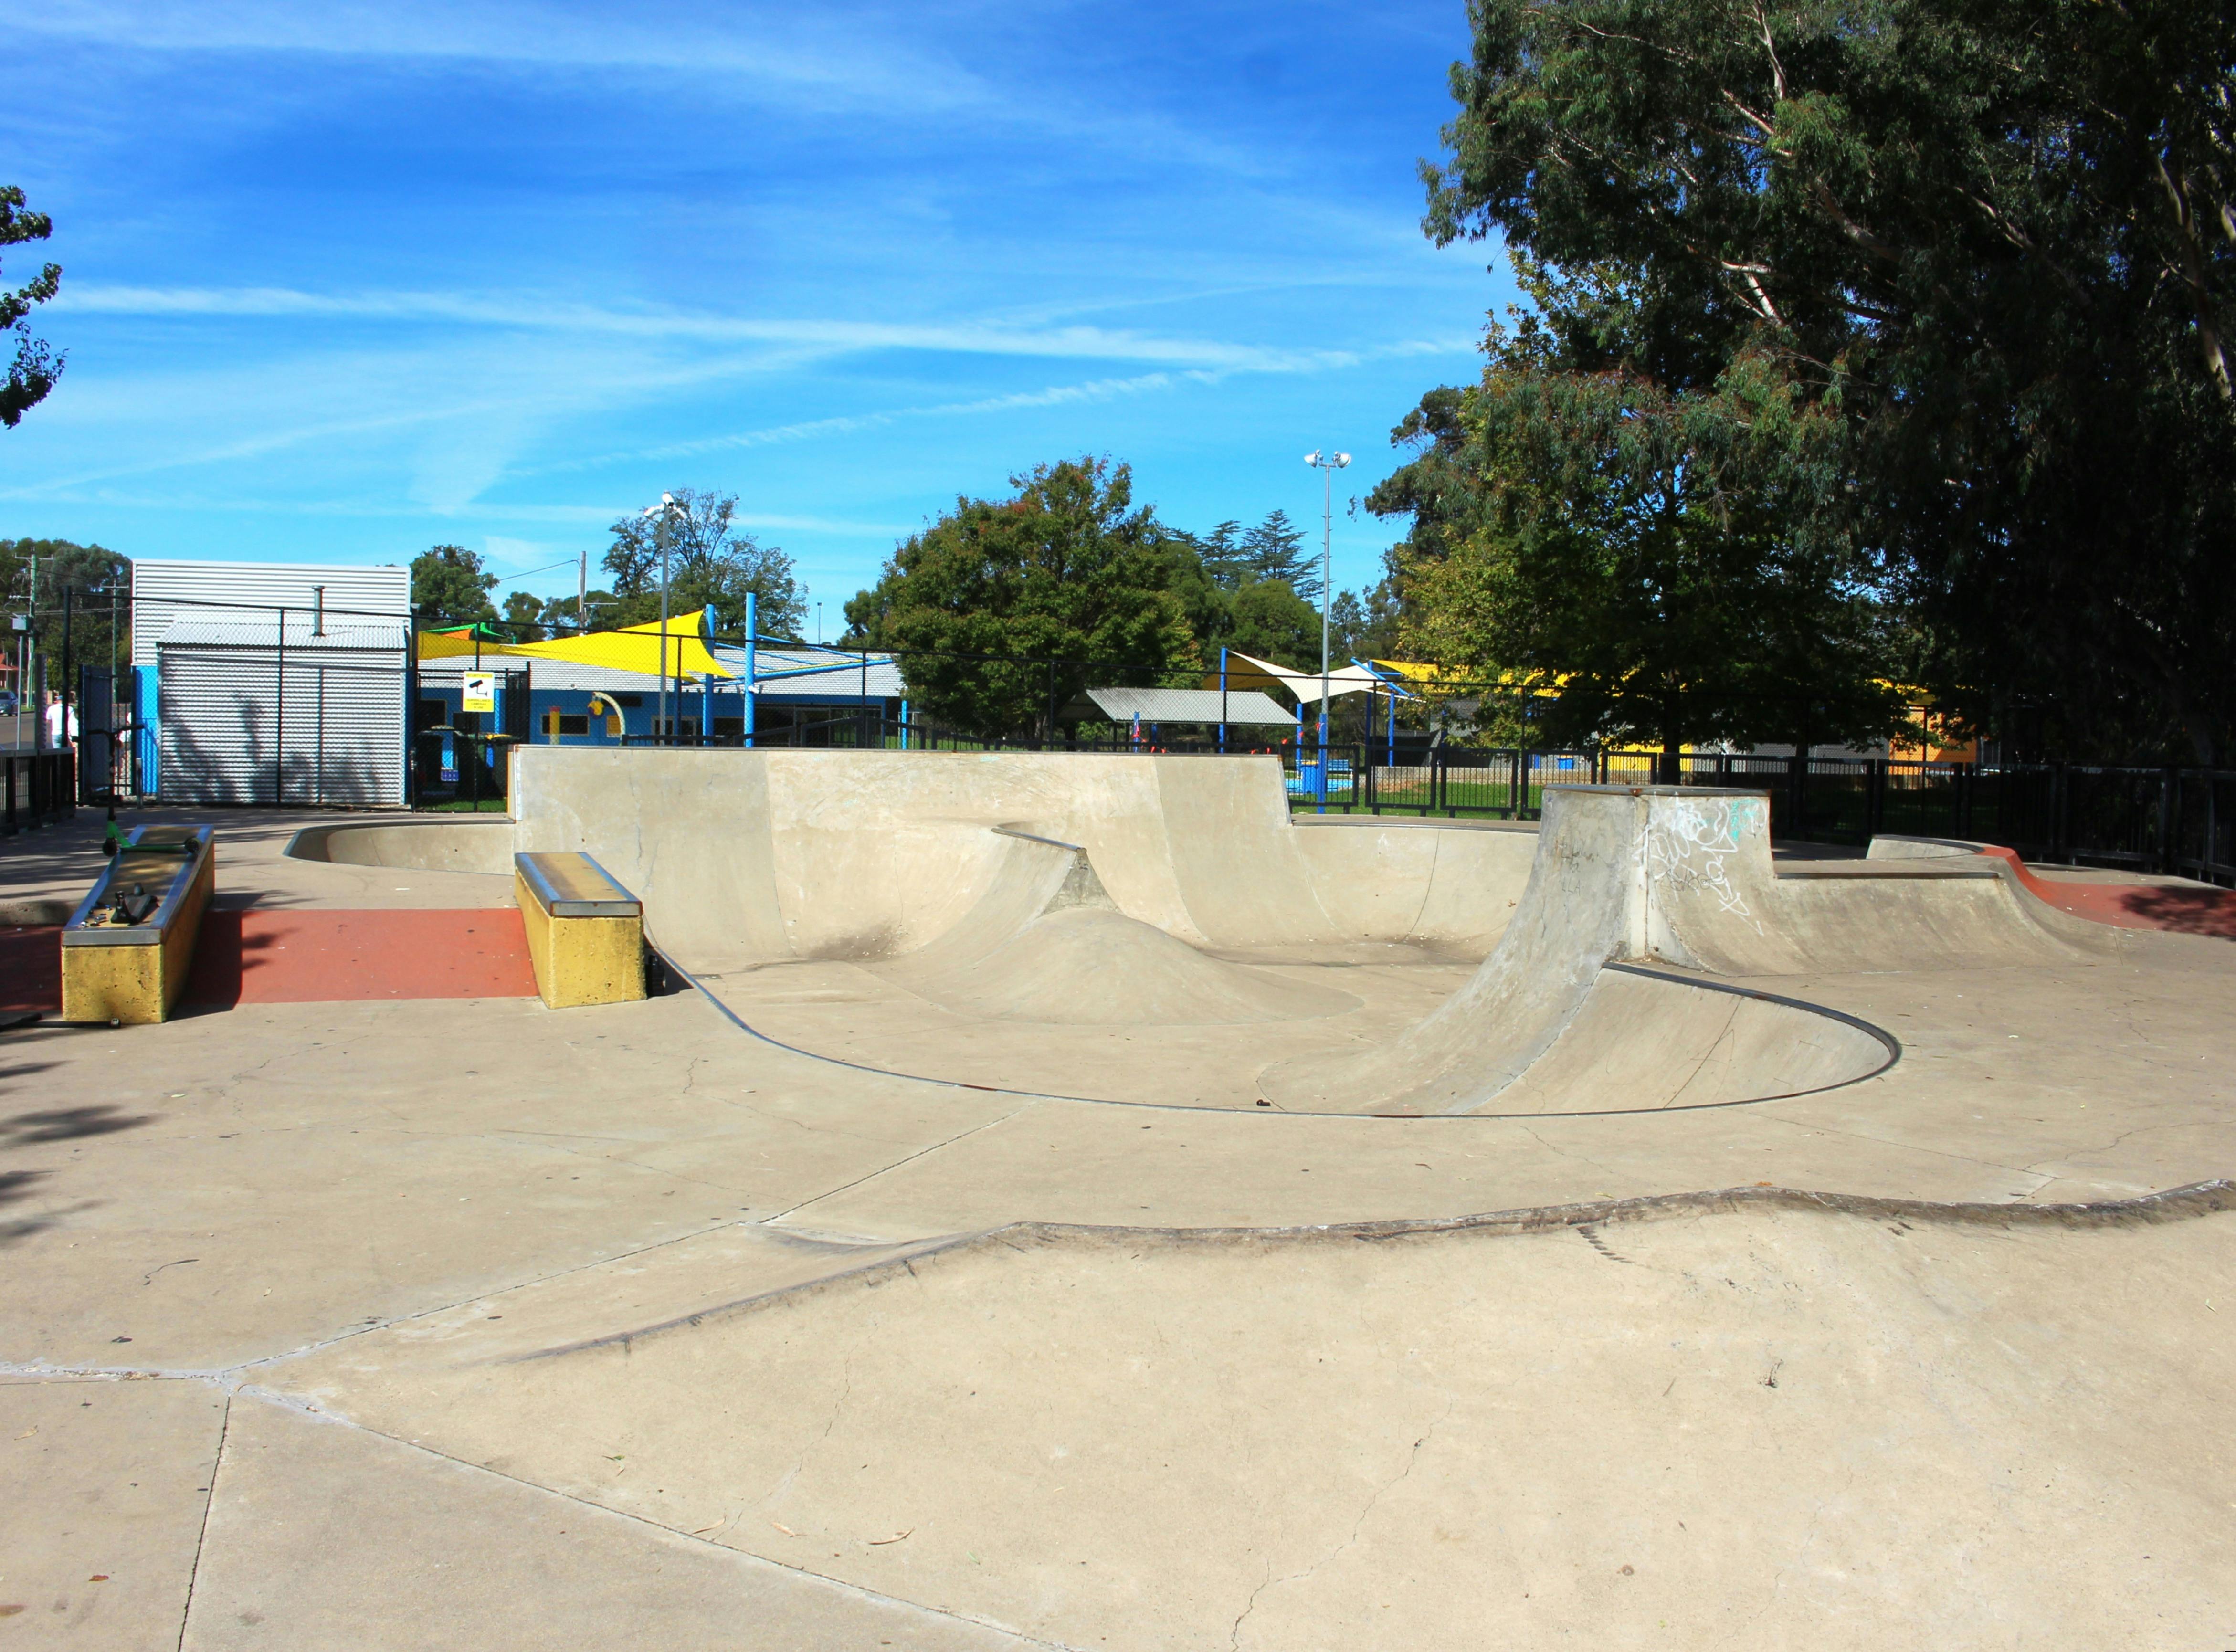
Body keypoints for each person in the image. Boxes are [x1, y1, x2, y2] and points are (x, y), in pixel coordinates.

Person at [40, 688, 76, 753]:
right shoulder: (70, 709)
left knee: (57, 751)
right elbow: (72, 721)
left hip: (55, 733)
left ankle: (58, 762)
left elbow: (48, 720)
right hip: (66, 733)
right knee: (67, 750)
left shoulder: (51, 708)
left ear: (57, 701)